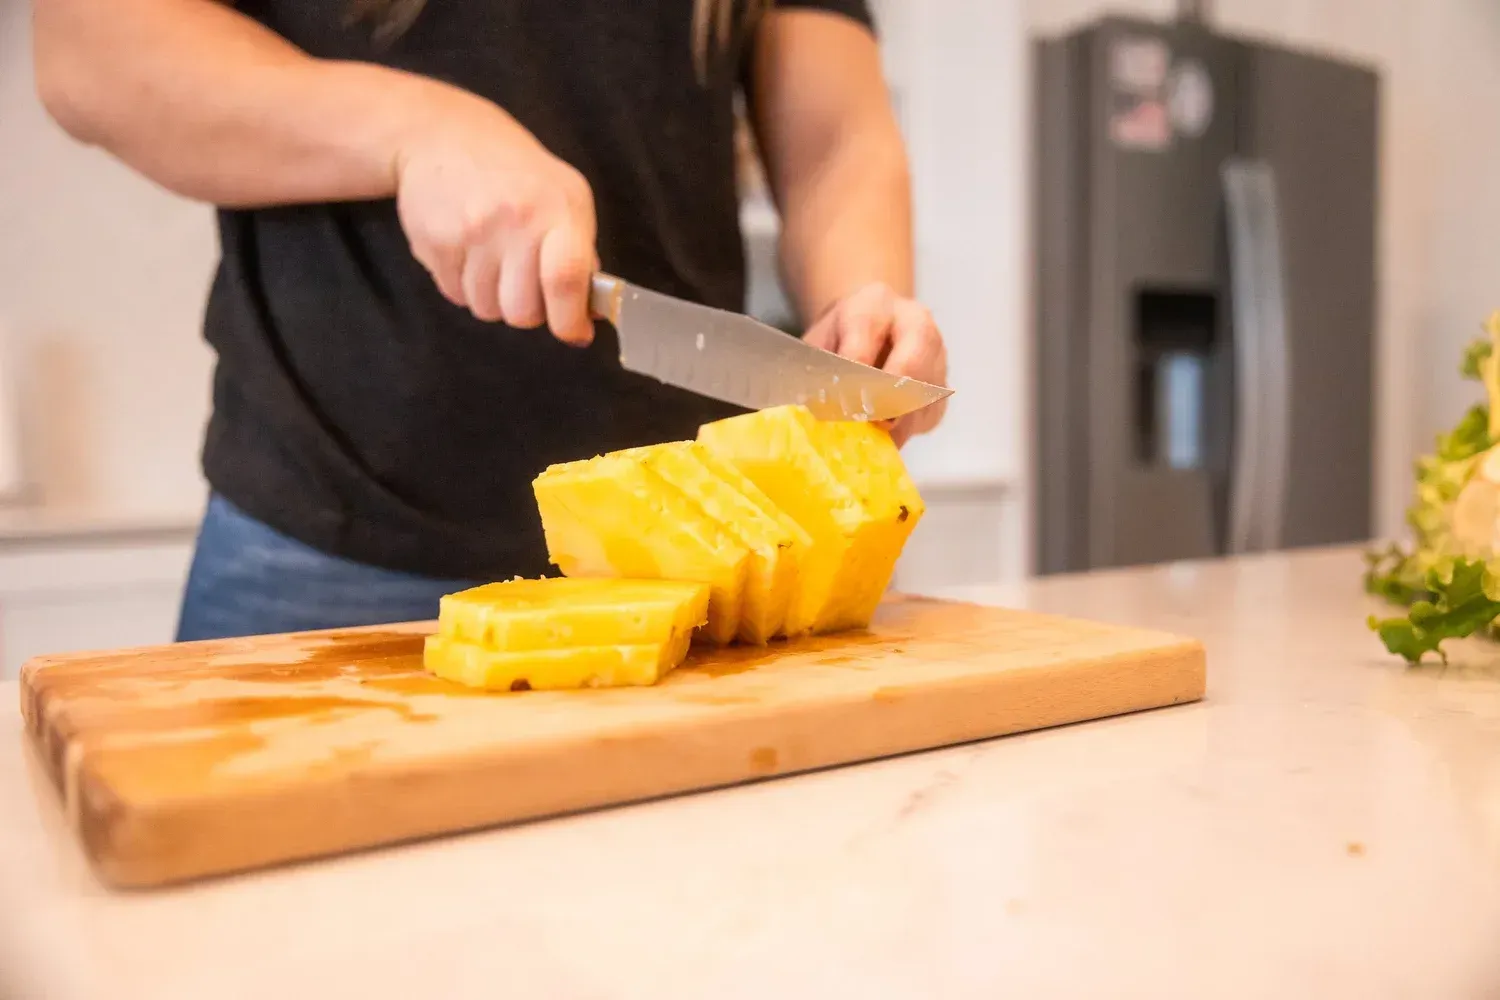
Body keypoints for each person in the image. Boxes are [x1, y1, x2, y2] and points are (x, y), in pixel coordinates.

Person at [33, 0, 949, 641]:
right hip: (325, 553)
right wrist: (414, 128)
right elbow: (91, 44)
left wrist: (862, 300)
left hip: (701, 555)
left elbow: (839, 142)